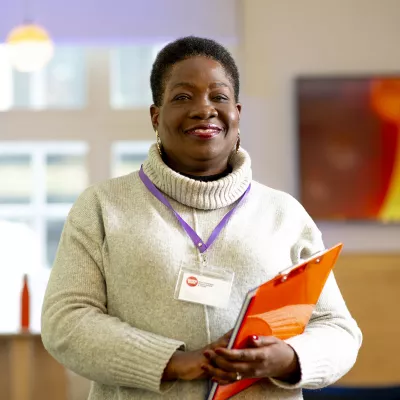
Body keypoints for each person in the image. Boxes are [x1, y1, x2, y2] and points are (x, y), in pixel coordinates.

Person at [41, 36, 362, 400]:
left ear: (237, 114)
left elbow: (337, 330)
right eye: (182, 97)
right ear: (155, 116)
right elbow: (64, 322)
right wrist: (174, 362)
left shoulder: (284, 214)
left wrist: (286, 357)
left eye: (219, 97)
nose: (204, 109)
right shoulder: (101, 206)